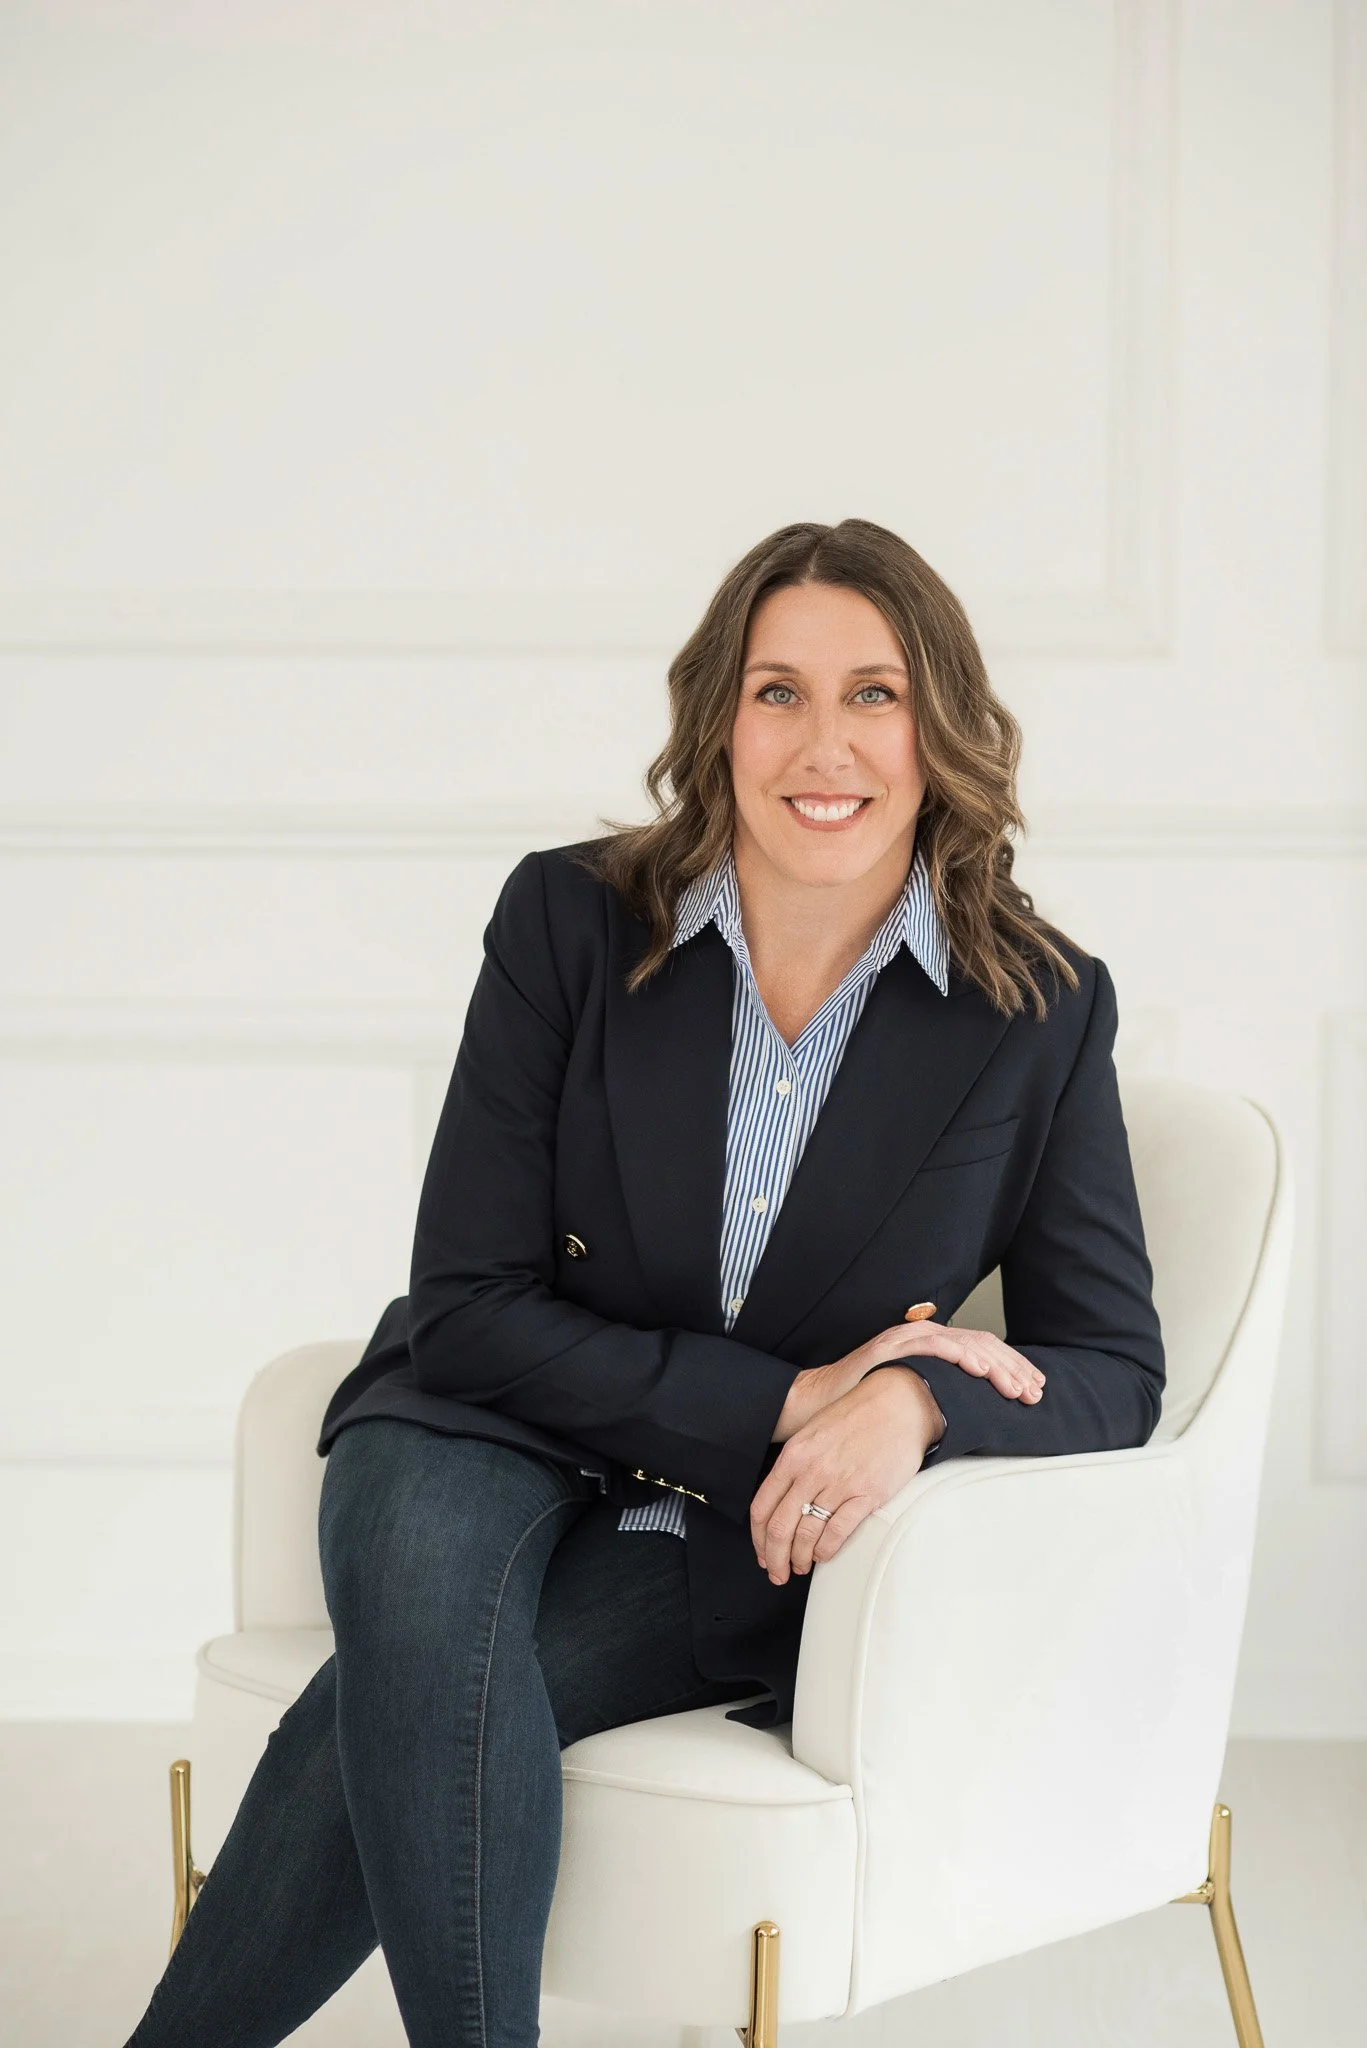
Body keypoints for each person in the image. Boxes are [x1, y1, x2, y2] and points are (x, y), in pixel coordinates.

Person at [123, 518, 1164, 2048]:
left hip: (737, 1527)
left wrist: (909, 1406)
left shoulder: (1039, 1007)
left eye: (873, 695)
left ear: (937, 724)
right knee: (423, 1616)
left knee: (401, 1700)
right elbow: (468, 1302)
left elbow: (1112, 1367)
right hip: (479, 1417)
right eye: (776, 692)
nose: (825, 746)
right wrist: (788, 1395)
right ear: (716, 719)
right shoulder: (567, 919)